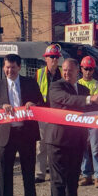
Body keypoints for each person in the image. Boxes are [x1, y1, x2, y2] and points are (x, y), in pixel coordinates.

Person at [45, 58, 98, 196]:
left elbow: (90, 111)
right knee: (58, 180)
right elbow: (68, 100)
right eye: (64, 70)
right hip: (58, 140)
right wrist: (89, 99)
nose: (66, 73)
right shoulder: (57, 86)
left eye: (70, 70)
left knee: (72, 179)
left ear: (77, 71)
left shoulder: (84, 89)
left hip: (77, 140)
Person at [0, 53, 44, 196]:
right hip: (7, 135)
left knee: (28, 173)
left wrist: (33, 105)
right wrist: (0, 108)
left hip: (26, 134)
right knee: (5, 175)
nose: (9, 70)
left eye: (13, 67)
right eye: (7, 67)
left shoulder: (30, 83)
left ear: (19, 67)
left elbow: (41, 104)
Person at [35, 43, 62, 183]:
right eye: (51, 57)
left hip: (58, 114)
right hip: (43, 113)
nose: (54, 60)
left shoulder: (63, 73)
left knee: (56, 145)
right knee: (41, 145)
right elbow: (34, 93)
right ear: (46, 59)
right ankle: (40, 174)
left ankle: (54, 172)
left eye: (56, 57)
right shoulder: (38, 74)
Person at [78, 56, 98, 189]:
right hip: (81, 119)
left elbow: (97, 102)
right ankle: (86, 175)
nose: (88, 71)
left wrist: (86, 101)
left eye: (90, 69)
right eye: (85, 69)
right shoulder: (77, 84)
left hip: (94, 120)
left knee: (95, 149)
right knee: (83, 148)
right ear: (81, 69)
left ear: (93, 70)